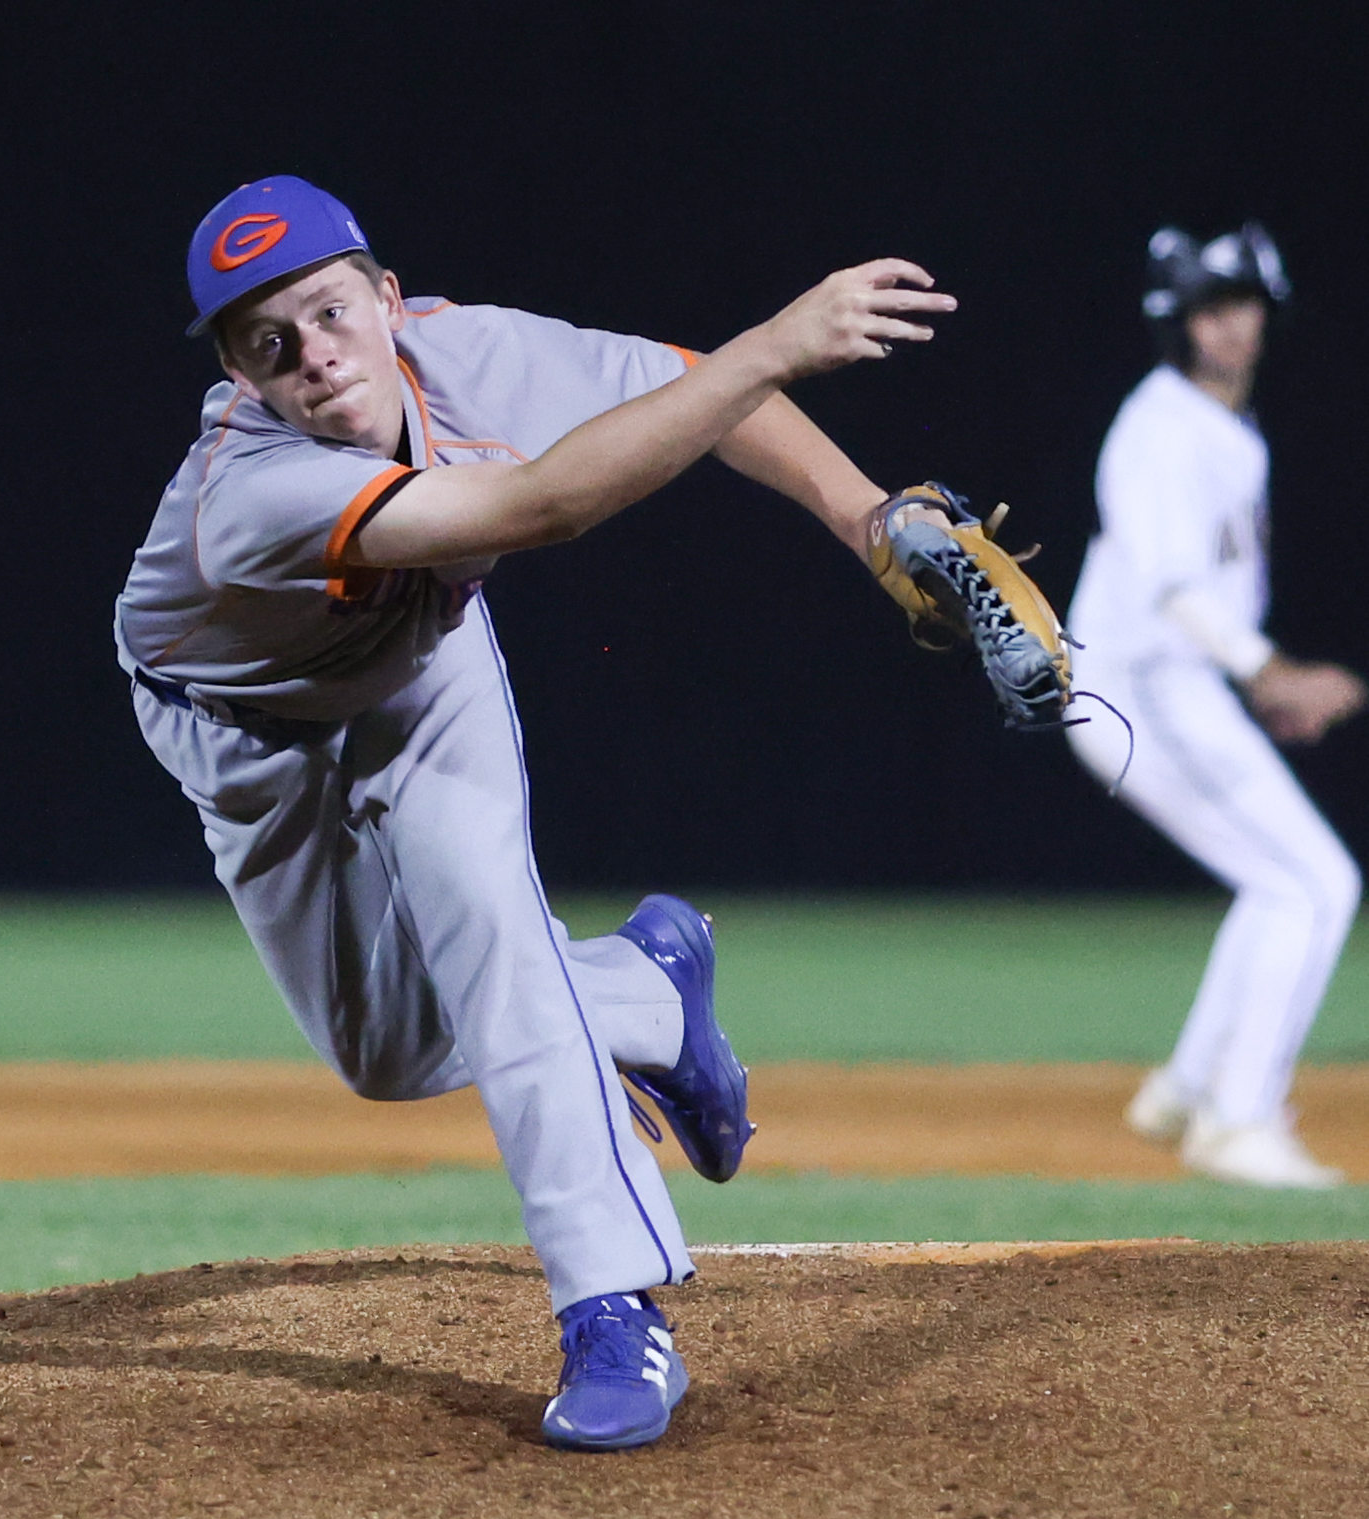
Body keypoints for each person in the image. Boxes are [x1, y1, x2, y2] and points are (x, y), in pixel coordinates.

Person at [114, 175, 955, 1450]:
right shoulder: (252, 489)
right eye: (267, 341)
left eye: (331, 311)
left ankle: (612, 1314)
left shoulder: (468, 351)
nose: (314, 355)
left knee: (492, 939)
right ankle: (648, 995)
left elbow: (696, 388)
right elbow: (540, 505)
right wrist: (779, 337)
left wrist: (863, 513)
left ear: (387, 299)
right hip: (243, 735)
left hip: (420, 676)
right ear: (238, 369)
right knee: (385, 1053)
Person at [1068, 223, 1364, 1188]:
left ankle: (1193, 1089)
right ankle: (1235, 1121)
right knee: (1315, 882)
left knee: (1280, 881)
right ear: (1179, 321)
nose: (1231, 325)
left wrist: (1247, 673)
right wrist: (1265, 671)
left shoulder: (1217, 427)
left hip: (1174, 681)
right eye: (1211, 307)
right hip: (1138, 686)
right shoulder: (1160, 424)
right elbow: (1166, 587)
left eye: (1241, 305)